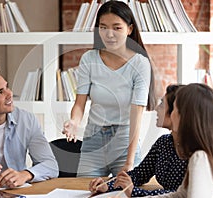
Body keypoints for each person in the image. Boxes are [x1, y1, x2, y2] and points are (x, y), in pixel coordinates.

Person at [62, 0, 156, 177]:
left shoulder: (140, 64)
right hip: (93, 140)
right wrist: (74, 122)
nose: (109, 34)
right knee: (84, 192)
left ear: (130, 29)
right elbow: (80, 103)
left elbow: (137, 113)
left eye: (117, 28)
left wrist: (129, 162)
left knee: (126, 193)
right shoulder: (89, 59)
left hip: (124, 140)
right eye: (103, 27)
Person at [107, 83, 213, 198]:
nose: (169, 113)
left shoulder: (201, 158)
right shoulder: (212, 154)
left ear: (186, 116)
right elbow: (179, 196)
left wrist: (135, 193)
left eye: (175, 108)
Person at [89, 84, 188, 197]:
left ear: (176, 112)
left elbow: (179, 195)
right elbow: (139, 174)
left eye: (162, 104)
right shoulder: (163, 143)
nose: (156, 109)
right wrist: (108, 185)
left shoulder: (193, 152)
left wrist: (134, 192)